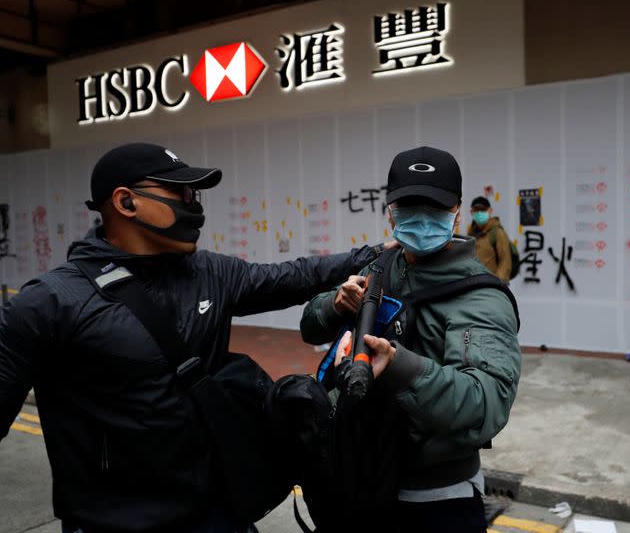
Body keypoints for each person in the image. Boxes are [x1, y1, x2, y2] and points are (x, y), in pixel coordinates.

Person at [0, 142, 386, 532]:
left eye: (195, 194)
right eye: (181, 193)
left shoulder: (209, 273)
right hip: (110, 520)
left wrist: (374, 254)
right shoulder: (48, 303)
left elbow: (292, 275)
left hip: (216, 511)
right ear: (125, 202)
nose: (194, 205)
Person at [300, 146, 521, 533]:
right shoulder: (380, 266)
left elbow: (485, 406)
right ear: (389, 212)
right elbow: (310, 328)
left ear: (457, 213)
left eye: (433, 207)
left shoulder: (481, 297)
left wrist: (401, 367)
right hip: (358, 478)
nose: (420, 218)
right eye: (407, 206)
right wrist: (335, 304)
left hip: (435, 496)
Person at [467, 196, 512, 282]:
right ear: (471, 212)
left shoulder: (497, 232)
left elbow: (505, 262)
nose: (479, 213)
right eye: (476, 210)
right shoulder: (471, 233)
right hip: (474, 284)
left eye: (483, 210)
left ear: (490, 211)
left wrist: (498, 284)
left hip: (491, 286)